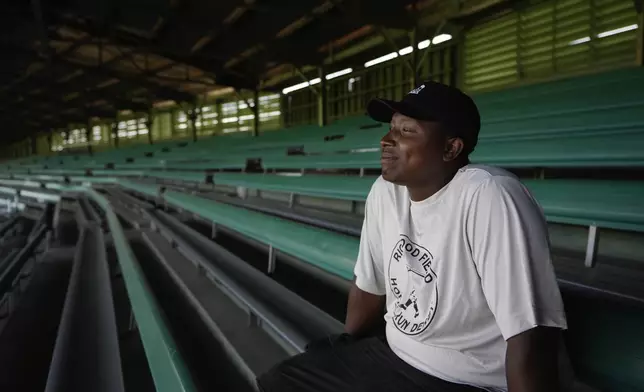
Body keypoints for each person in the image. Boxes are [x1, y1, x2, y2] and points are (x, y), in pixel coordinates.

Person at [256, 81, 568, 392]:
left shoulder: (489, 195)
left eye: (406, 131)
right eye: (391, 128)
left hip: (466, 381)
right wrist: (346, 347)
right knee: (280, 382)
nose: (385, 140)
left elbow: (530, 335)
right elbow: (369, 287)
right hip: (393, 356)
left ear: (451, 148)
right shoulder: (385, 192)